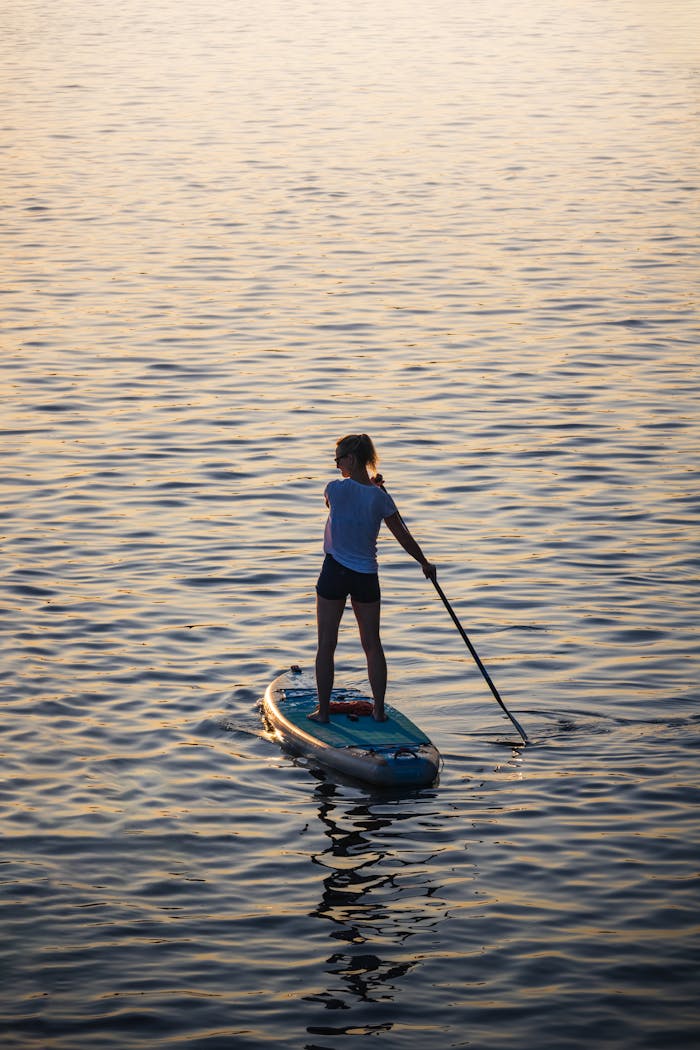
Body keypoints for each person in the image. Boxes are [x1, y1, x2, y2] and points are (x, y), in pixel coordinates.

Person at [310, 433, 436, 724]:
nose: (336, 465)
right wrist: (424, 563)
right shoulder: (381, 498)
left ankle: (324, 713)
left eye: (338, 459)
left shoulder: (334, 489)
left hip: (334, 573)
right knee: (372, 644)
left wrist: (371, 488)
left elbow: (331, 505)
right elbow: (403, 534)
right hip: (366, 576)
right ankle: (378, 711)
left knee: (327, 644)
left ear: (351, 459)